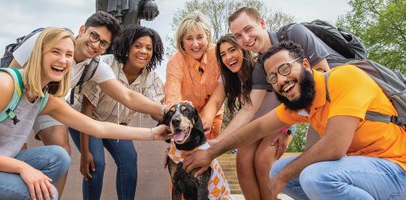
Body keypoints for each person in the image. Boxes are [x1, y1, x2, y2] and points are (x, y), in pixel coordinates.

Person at [0, 28, 170, 200]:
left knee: (58, 157)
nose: (63, 60)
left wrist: (153, 133)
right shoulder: (5, 84)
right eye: (56, 52)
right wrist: (23, 168)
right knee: (42, 193)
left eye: (69, 55)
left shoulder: (44, 99)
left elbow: (99, 128)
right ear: (39, 53)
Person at [183, 41, 406, 200]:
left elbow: (335, 146)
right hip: (365, 173)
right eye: (272, 78)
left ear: (304, 64)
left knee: (313, 176)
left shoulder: (344, 78)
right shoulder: (301, 104)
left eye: (284, 69)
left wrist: (284, 176)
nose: (281, 80)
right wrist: (211, 152)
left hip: (402, 173)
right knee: (276, 170)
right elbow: (256, 128)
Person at [8, 11, 166, 196]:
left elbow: (127, 97)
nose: (96, 45)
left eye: (103, 43)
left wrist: (165, 111)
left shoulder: (95, 66)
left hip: (48, 104)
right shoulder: (41, 40)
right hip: (15, 104)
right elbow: (9, 80)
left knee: (62, 153)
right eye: (93, 36)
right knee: (16, 154)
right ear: (82, 30)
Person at [71, 25, 164, 200]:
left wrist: (176, 119)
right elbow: (87, 109)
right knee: (96, 163)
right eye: (137, 45)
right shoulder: (105, 64)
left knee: (129, 159)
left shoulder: (152, 78)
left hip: (115, 126)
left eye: (148, 48)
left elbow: (156, 111)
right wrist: (85, 152)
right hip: (86, 120)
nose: (143, 51)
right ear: (127, 47)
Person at [199, 34, 290, 200]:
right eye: (223, 54)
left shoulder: (261, 68)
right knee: (242, 160)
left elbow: (289, 97)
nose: (228, 57)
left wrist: (286, 130)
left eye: (233, 50)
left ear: (243, 49)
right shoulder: (228, 78)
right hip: (255, 126)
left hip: (281, 122)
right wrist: (206, 121)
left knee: (262, 160)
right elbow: (215, 101)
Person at [164, 11, 222, 139]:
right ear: (182, 41)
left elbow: (221, 89)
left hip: (213, 112)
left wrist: (207, 118)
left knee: (209, 151)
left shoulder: (218, 54)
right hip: (186, 117)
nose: (195, 44)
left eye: (200, 37)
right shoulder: (175, 62)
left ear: (207, 37)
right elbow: (173, 99)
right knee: (185, 153)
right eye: (189, 38)